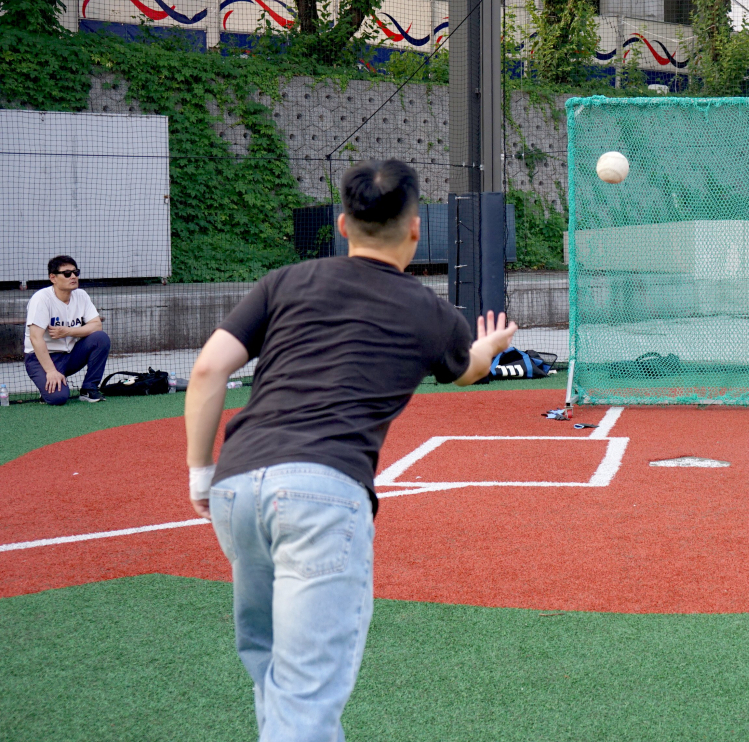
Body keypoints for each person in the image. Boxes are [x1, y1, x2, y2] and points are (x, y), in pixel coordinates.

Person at [184, 159, 518, 741]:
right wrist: (488, 344)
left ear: (343, 224)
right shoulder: (429, 311)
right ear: (416, 228)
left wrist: (199, 474)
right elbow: (467, 371)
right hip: (322, 494)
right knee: (309, 696)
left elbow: (209, 367)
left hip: (235, 490)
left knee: (270, 671)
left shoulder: (283, 282)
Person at [24, 255, 111, 404]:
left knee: (100, 338)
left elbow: (96, 325)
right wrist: (51, 371)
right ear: (53, 278)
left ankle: (89, 389)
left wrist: (68, 332)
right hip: (40, 358)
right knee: (58, 398)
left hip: (69, 355)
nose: (73, 277)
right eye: (67, 273)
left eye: (75, 272)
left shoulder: (81, 295)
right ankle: (47, 387)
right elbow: (35, 338)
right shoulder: (41, 299)